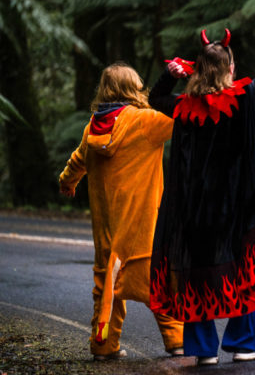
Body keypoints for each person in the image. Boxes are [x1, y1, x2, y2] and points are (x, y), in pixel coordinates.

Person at [148, 0, 255, 365]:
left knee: (198, 276)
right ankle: (246, 343)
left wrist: (172, 75)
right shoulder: (244, 97)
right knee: (242, 273)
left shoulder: (182, 107)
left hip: (193, 214)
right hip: (236, 210)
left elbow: (154, 98)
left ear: (197, 69)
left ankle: (203, 350)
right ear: (230, 68)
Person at [59, 63, 184, 360]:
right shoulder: (145, 121)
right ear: (134, 89)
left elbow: (78, 160)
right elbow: (186, 121)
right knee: (158, 285)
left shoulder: (93, 127)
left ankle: (103, 345)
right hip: (142, 227)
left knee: (106, 290)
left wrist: (67, 182)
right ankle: (177, 341)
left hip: (106, 230)